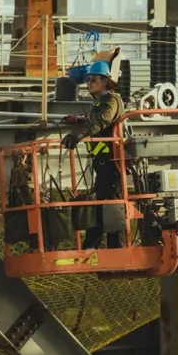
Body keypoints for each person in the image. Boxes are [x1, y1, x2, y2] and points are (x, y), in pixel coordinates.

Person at [61, 61, 125, 250]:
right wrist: (78, 121)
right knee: (102, 202)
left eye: (93, 79)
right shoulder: (98, 102)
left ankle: (115, 249)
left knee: (111, 204)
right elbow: (95, 119)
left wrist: (78, 134)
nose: (89, 83)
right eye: (87, 80)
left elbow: (103, 120)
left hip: (113, 162)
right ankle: (93, 244)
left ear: (105, 81)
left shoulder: (111, 100)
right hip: (103, 162)